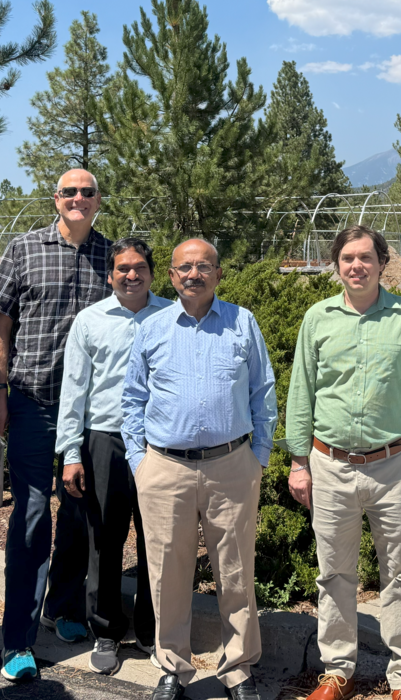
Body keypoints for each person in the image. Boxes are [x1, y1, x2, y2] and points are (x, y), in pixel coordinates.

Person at [285, 225, 401, 700]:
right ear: (337, 265)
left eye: (365, 257)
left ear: (382, 262)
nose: (357, 266)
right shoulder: (317, 319)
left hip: (394, 465)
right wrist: (299, 462)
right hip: (329, 465)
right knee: (333, 572)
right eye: (347, 258)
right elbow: (302, 391)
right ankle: (337, 671)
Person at [123, 238, 276, 700]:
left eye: (203, 266)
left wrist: (258, 456)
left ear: (218, 273)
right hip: (165, 467)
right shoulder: (152, 328)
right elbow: (132, 399)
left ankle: (238, 669)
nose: (194, 274)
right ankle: (172, 664)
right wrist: (140, 463)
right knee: (167, 573)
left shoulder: (242, 322)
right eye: (184, 267)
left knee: (235, 571)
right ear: (170, 276)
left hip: (232, 465)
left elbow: (262, 392)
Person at [0, 168, 114, 681]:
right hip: (34, 402)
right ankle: (17, 639)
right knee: (33, 516)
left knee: (81, 514)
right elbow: (0, 324)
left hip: (91, 412)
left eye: (87, 192)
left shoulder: (111, 255)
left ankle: (62, 607)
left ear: (98, 200)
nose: (78, 199)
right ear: (55, 199)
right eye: (69, 192)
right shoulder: (24, 248)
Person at [56, 237, 171, 675]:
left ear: (152, 272)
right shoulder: (90, 321)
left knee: (156, 539)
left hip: (161, 443)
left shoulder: (172, 315)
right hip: (104, 439)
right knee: (104, 538)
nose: (131, 275)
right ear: (110, 275)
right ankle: (106, 630)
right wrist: (70, 452)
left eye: (139, 267)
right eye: (122, 268)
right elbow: (74, 391)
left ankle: (150, 629)